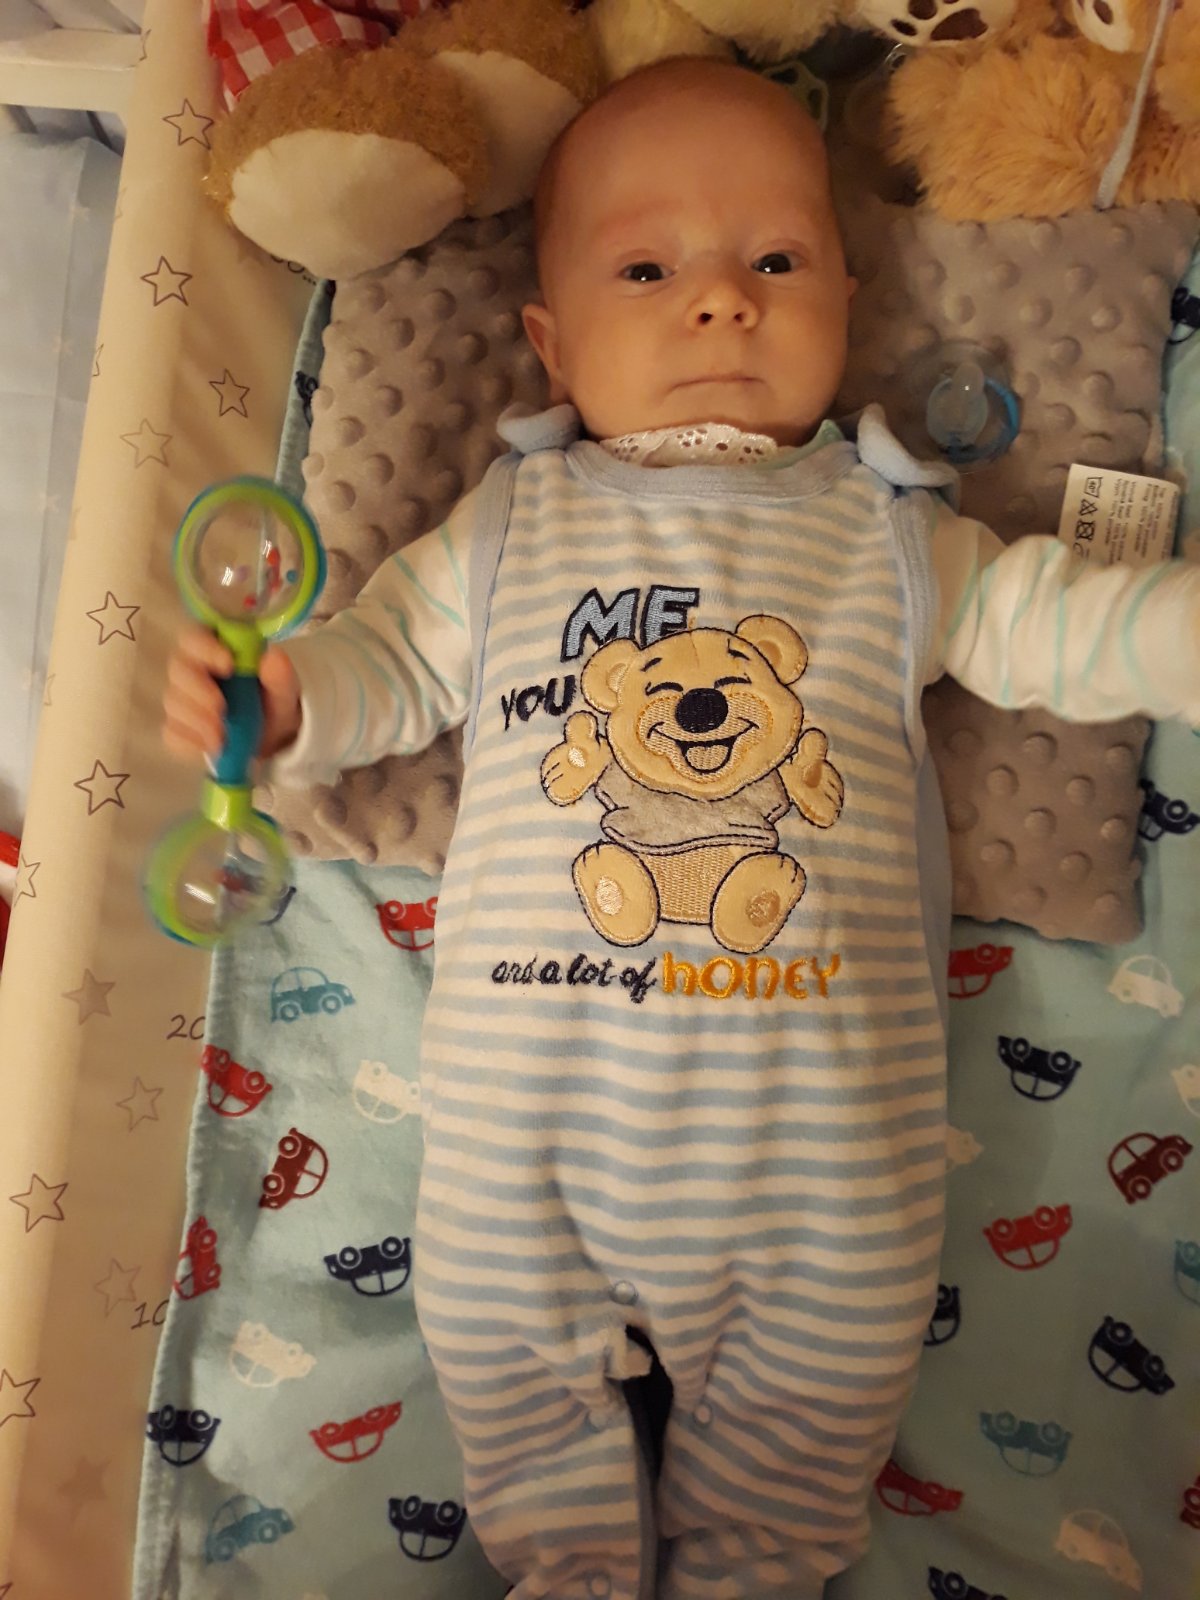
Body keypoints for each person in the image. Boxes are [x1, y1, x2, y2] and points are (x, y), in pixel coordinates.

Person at [162, 57, 1200, 1599]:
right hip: (528, 1135)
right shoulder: (512, 524)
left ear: (847, 298)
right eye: (648, 270)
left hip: (819, 1157)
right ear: (552, 339)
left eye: (774, 259)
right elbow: (389, 666)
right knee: (520, 1407)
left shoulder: (888, 532)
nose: (720, 299)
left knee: (794, 1464)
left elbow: (1063, 626)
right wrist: (289, 700)